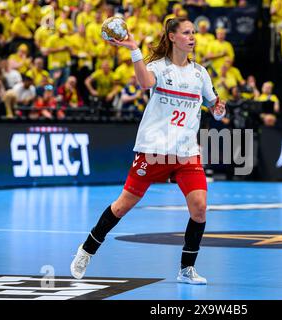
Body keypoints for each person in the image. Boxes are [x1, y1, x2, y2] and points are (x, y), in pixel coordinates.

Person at [70, 17, 226, 285]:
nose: (192, 37)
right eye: (186, 33)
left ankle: (186, 269)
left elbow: (214, 103)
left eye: (193, 33)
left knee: (199, 209)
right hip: (154, 149)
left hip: (186, 152)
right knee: (121, 207)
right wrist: (133, 48)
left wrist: (218, 110)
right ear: (173, 37)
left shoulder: (200, 73)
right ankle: (86, 250)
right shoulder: (158, 68)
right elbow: (144, 82)